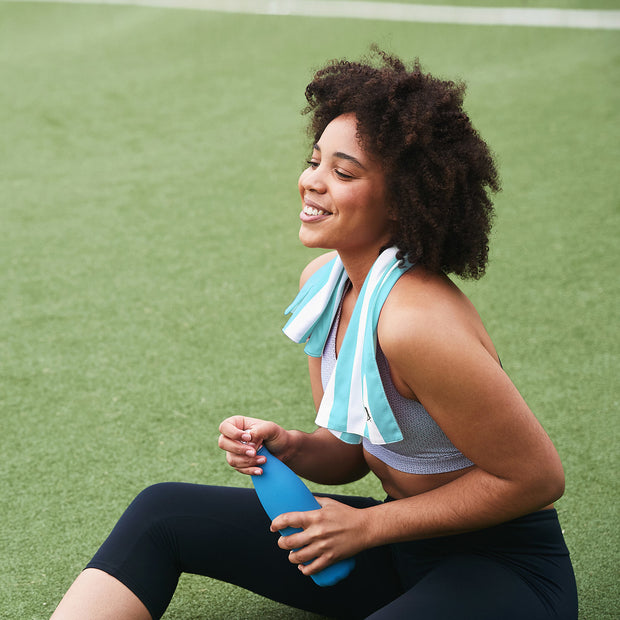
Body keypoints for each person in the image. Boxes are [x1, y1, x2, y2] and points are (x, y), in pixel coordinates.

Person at [51, 48, 577, 619]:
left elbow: (536, 478)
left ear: (403, 201)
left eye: (343, 172)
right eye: (314, 160)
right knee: (162, 514)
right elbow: (352, 453)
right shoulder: (326, 283)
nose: (312, 183)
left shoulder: (417, 324)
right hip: (396, 549)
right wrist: (290, 446)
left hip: (505, 572)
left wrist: (368, 524)